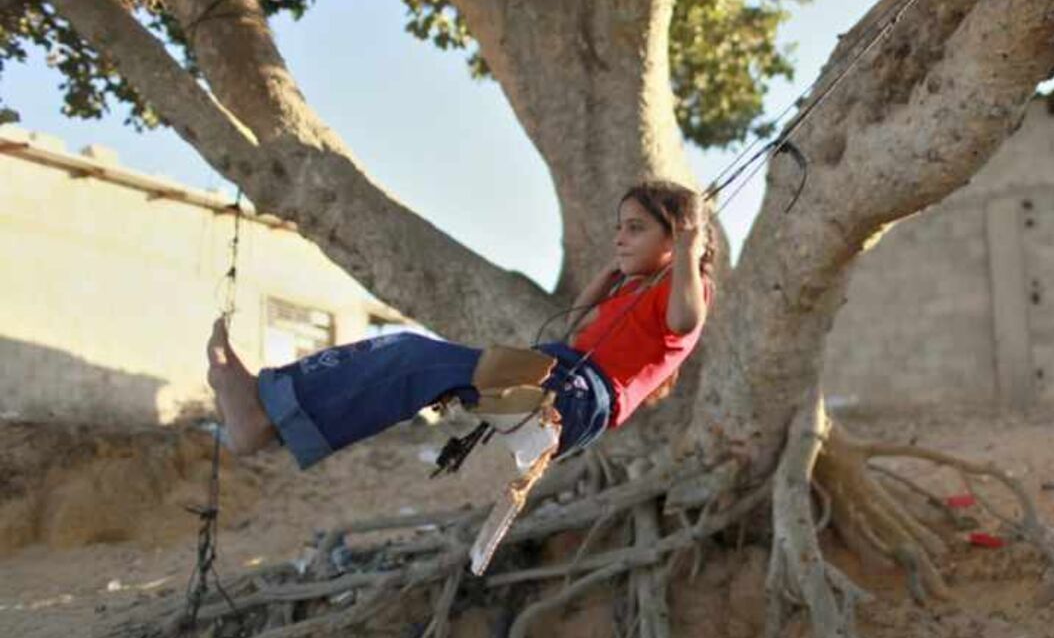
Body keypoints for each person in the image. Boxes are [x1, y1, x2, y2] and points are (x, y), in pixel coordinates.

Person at [205, 179, 716, 471]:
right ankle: (273, 414)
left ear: (676, 237)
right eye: (618, 228)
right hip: (559, 375)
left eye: (635, 229)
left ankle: (267, 409)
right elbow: (573, 324)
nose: (620, 238)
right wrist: (608, 276)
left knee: (409, 355)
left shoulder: (685, 289)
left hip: (577, 397)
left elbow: (686, 319)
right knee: (408, 359)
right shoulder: (634, 288)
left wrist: (690, 253)